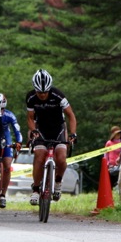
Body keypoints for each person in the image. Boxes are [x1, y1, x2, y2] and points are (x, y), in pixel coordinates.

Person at [26, 69, 77, 205]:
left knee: (61, 157)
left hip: (58, 128)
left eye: (45, 92)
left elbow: (71, 115)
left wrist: (73, 134)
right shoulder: (31, 97)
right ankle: (36, 189)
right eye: (39, 92)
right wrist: (33, 130)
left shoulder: (58, 95)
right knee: (39, 155)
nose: (42, 95)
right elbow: (30, 118)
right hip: (41, 129)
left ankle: (58, 182)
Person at [0, 92, 23, 209]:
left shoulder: (10, 115)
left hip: (5, 136)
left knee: (7, 164)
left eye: (2, 109)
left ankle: (2, 195)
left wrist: (19, 142)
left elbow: (17, 130)